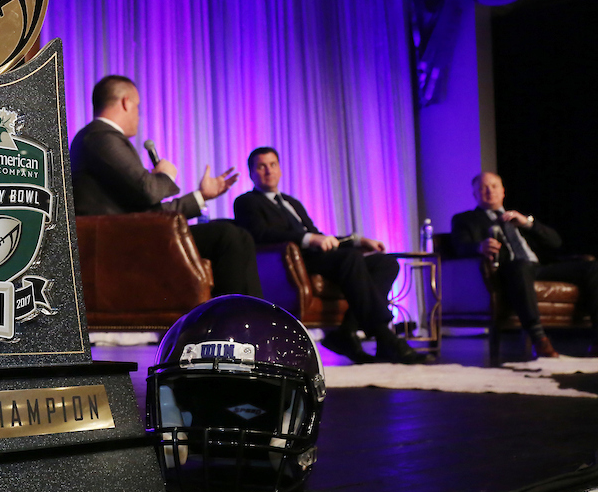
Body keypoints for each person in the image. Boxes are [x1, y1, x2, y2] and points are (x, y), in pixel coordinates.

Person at [69, 76, 262, 297]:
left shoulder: (100, 138)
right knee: (228, 237)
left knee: (238, 233)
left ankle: (250, 320)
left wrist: (202, 196)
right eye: (138, 106)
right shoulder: (100, 137)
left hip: (135, 231)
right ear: (125, 102)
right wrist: (166, 175)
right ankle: (234, 322)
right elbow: (149, 190)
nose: (138, 115)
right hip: (120, 241)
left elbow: (150, 210)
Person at [233, 146, 426, 364]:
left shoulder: (291, 202)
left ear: (279, 169)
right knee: (350, 258)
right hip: (294, 261)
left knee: (386, 263)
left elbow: (319, 235)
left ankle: (347, 331)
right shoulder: (246, 201)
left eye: (273, 165)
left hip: (319, 255)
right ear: (251, 173)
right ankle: (384, 334)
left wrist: (356, 241)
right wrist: (308, 239)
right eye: (261, 166)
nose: (268, 171)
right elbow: (260, 234)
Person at [451, 171, 598, 358]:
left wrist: (528, 223)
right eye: (483, 188)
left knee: (592, 267)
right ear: (475, 194)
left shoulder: (519, 218)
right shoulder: (465, 220)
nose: (489, 191)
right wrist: (480, 246)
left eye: (494, 186)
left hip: (539, 267)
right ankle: (539, 338)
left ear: (503, 191)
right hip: (510, 270)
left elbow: (556, 242)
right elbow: (460, 247)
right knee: (520, 265)